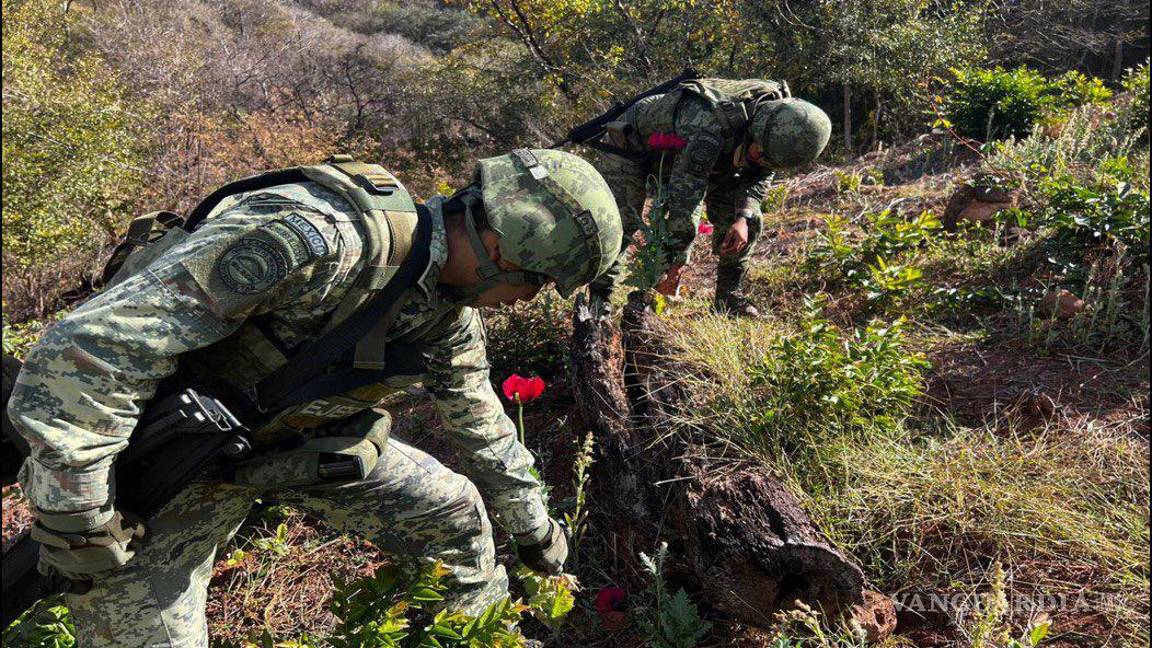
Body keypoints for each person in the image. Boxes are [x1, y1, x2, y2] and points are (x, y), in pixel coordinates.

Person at [9, 148, 622, 647]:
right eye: (536, 284)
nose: (527, 302)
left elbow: (481, 421)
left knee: (453, 513)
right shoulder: (323, 239)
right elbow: (92, 348)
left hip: (279, 450)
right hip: (159, 465)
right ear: (500, 250)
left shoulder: (445, 314)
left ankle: (473, 639)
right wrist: (78, 514)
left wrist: (535, 530)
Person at [588, 78, 832, 317]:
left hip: (699, 154)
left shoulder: (780, 124)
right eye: (760, 153)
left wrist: (742, 217)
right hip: (635, 144)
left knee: (747, 220)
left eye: (768, 159)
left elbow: (760, 175)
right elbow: (684, 201)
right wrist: (677, 262)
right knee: (622, 223)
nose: (760, 160)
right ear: (756, 129)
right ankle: (600, 300)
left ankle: (728, 296)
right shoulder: (708, 125)